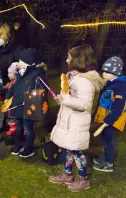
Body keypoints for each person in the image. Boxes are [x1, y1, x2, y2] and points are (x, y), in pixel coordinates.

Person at [49, 44, 105, 192]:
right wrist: (63, 99)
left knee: (77, 153)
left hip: (76, 124)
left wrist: (66, 99)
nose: (67, 60)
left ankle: (83, 179)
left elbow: (85, 104)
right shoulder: (75, 77)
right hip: (70, 121)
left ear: (78, 60)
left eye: (69, 57)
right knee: (68, 149)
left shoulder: (84, 81)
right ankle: (67, 174)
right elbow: (72, 98)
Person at [92, 56, 126, 172]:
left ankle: (108, 163)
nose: (103, 73)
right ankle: (105, 157)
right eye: (103, 70)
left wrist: (109, 120)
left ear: (115, 73)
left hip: (114, 119)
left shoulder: (120, 87)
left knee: (109, 139)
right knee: (105, 137)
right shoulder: (110, 83)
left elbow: (119, 106)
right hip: (108, 118)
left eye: (107, 72)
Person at [5, 48, 45, 158]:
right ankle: (18, 144)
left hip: (28, 107)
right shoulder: (20, 73)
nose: (18, 62)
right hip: (18, 105)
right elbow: (14, 87)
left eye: (21, 61)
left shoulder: (36, 74)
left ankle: (29, 147)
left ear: (28, 62)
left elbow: (40, 89)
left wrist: (31, 99)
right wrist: (7, 97)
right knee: (18, 126)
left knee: (27, 128)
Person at [0, 23, 25, 135]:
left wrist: (13, 81)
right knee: (0, 106)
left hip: (12, 84)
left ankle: (17, 129)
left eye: (0, 36)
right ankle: (0, 125)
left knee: (12, 107)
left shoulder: (17, 48)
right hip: (0, 84)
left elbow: (22, 67)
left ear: (7, 35)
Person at [4, 62, 18, 136]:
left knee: (14, 117)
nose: (8, 75)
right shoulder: (11, 83)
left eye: (10, 73)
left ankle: (15, 129)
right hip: (11, 104)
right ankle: (12, 129)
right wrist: (6, 98)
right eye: (8, 73)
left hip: (15, 104)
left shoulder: (17, 84)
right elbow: (9, 92)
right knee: (10, 117)